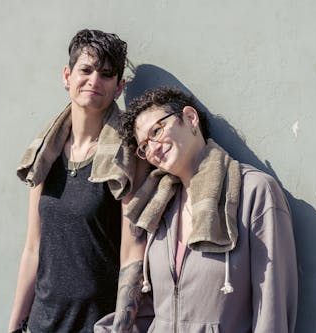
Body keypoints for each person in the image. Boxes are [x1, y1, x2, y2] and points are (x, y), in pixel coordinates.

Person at [107, 87, 298, 332]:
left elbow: (272, 309)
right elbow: (155, 309)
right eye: (144, 147)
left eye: (157, 131)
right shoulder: (158, 208)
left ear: (190, 118)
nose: (152, 149)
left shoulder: (254, 192)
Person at [8, 29, 145, 333]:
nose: (94, 80)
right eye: (86, 69)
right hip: (43, 323)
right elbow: (33, 248)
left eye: (107, 74)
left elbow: (132, 254)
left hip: (96, 324)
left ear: (119, 87)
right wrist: (14, 326)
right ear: (67, 76)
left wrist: (119, 327)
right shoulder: (46, 153)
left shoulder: (128, 157)